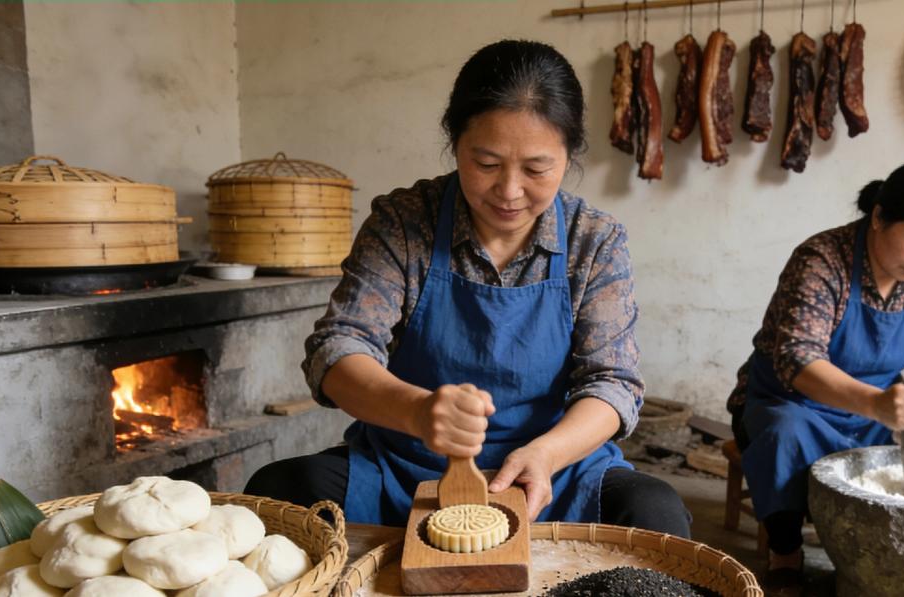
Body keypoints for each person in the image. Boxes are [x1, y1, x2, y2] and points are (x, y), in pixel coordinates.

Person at [246, 39, 689, 537]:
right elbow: (337, 350)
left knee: (654, 513)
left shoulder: (594, 240)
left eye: (536, 168)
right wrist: (416, 411)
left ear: (569, 155)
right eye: (487, 163)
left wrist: (545, 454)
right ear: (455, 143)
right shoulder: (403, 221)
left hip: (551, 474)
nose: (509, 191)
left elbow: (613, 384)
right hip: (405, 469)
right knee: (277, 489)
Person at [725, 161, 904, 588]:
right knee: (784, 432)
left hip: (879, 417)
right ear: (878, 217)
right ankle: (786, 554)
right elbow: (798, 360)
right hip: (795, 404)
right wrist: (876, 405)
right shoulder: (823, 259)